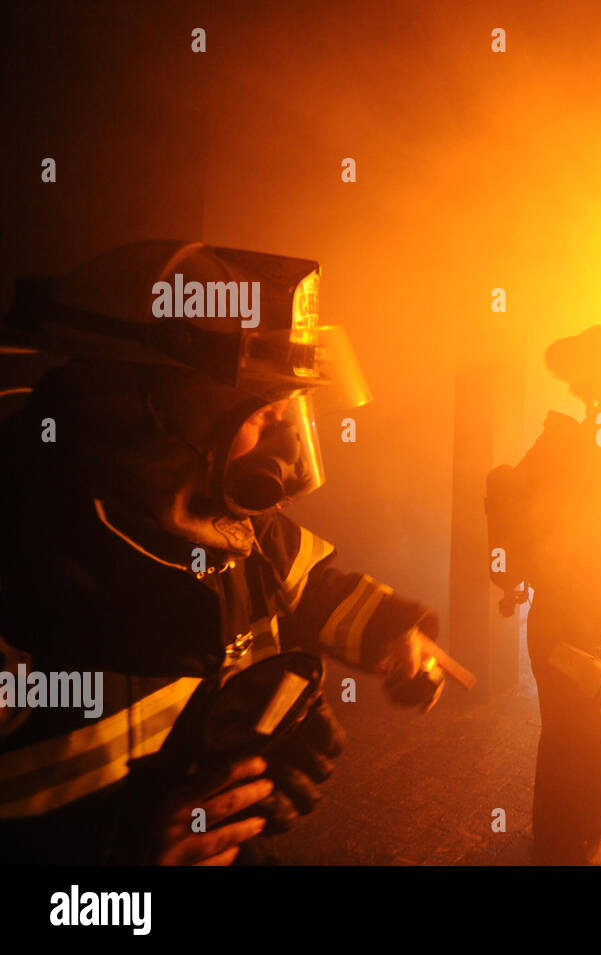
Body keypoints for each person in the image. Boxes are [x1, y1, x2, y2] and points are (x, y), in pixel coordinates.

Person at [0, 241, 447, 864]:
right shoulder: (20, 565)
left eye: (293, 413)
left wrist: (394, 633)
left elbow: (313, 584)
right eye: (263, 415)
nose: (288, 453)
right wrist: (128, 852)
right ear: (146, 409)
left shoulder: (232, 522)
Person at [488, 325, 601, 864]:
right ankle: (570, 841)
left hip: (577, 611)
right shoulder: (578, 449)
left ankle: (567, 836)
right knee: (583, 727)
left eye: (577, 379)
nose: (575, 390)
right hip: (575, 613)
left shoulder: (585, 446)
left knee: (576, 726)